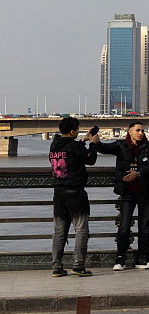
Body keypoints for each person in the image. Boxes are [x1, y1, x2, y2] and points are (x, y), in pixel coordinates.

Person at [96, 122, 149, 270]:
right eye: (138, 130)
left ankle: (142, 258)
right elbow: (103, 148)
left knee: (145, 226)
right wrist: (96, 142)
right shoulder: (121, 145)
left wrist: (138, 173)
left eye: (142, 130)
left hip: (144, 192)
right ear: (130, 132)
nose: (141, 133)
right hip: (127, 192)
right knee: (124, 226)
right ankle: (120, 258)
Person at [49, 116, 99, 276]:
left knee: (59, 231)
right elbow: (90, 159)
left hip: (59, 193)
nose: (78, 132)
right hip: (75, 193)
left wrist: (82, 140)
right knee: (81, 230)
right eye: (77, 129)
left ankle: (57, 267)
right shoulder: (74, 146)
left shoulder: (54, 145)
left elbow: (69, 151)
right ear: (72, 131)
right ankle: (78, 265)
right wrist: (93, 144)